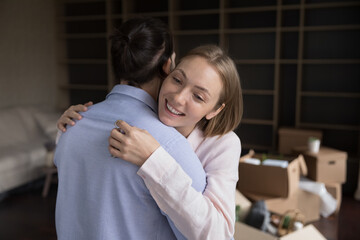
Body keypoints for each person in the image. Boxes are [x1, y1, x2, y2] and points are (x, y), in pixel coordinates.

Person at [58, 45, 243, 239]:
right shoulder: (139, 116)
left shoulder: (223, 145)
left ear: (215, 110)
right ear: (167, 72)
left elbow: (219, 235)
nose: (178, 98)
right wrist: (70, 127)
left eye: (198, 96)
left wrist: (154, 160)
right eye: (177, 80)